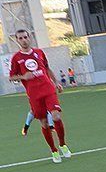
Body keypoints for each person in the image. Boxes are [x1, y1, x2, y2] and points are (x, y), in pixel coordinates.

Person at [7, 30, 71, 163]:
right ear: (17, 41)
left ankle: (63, 145)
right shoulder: (16, 58)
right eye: (20, 38)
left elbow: (47, 68)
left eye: (25, 37)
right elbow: (11, 77)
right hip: (34, 94)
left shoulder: (39, 52)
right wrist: (23, 76)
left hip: (48, 89)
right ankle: (54, 150)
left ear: (29, 38)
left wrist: (56, 82)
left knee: (56, 116)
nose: (24, 40)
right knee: (44, 123)